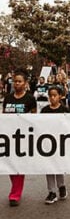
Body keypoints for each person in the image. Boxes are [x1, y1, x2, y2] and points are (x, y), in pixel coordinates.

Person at [3, 69, 37, 206]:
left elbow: (34, 118)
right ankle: (15, 188)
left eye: (19, 81)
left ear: (25, 83)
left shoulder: (30, 98)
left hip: (23, 137)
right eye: (14, 81)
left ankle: (15, 194)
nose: (16, 84)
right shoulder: (8, 98)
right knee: (10, 164)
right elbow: (4, 115)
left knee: (19, 164)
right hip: (9, 136)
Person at [41, 86, 69, 204]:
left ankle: (61, 186)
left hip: (60, 141)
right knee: (49, 166)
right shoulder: (44, 110)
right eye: (50, 95)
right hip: (47, 142)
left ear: (60, 96)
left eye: (55, 95)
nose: (52, 98)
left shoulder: (64, 110)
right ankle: (52, 191)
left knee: (58, 165)